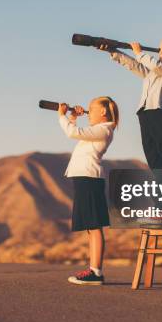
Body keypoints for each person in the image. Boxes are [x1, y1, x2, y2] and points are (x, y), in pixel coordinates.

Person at [97, 35, 162, 209]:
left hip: (161, 116)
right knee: (154, 160)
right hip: (145, 115)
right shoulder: (157, 71)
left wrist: (139, 52)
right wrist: (113, 51)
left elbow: (156, 66)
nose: (160, 51)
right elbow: (136, 66)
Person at [57, 96, 119, 285]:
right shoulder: (97, 130)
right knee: (91, 228)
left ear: (102, 112)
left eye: (91, 108)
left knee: (94, 226)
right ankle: (94, 270)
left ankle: (96, 272)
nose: (88, 111)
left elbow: (73, 133)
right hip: (85, 179)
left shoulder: (104, 129)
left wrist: (62, 116)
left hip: (90, 179)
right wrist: (73, 118)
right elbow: (77, 132)